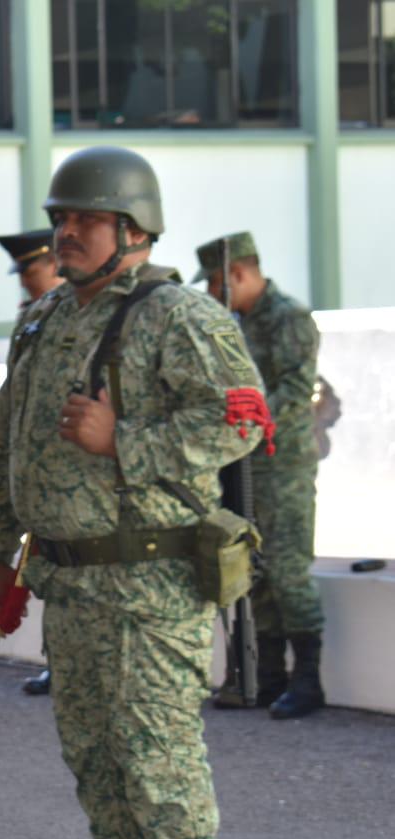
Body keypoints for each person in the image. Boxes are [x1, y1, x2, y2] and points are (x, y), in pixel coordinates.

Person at [0, 147, 268, 839]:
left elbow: (243, 419)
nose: (64, 232)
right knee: (98, 763)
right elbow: (9, 442)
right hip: (71, 582)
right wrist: (2, 553)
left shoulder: (178, 315)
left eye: (85, 220)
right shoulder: (43, 318)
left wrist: (125, 442)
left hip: (151, 588)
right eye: (60, 218)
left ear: (133, 229)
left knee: (159, 765)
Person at [193, 232, 325, 718]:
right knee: (254, 569)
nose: (210, 293)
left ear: (240, 274)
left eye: (215, 283)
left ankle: (308, 680)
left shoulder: (287, 317)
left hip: (281, 465)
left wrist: (250, 419)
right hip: (242, 464)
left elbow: (295, 388)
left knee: (288, 569)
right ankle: (267, 675)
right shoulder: (234, 324)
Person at [0, 228, 68, 696]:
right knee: (43, 568)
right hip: (36, 474)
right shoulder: (33, 319)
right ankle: (56, 661)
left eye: (32, 270)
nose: (25, 281)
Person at [0, 228, 66, 310]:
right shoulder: (32, 314)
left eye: (29, 274)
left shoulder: (77, 310)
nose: (22, 284)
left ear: (57, 266)